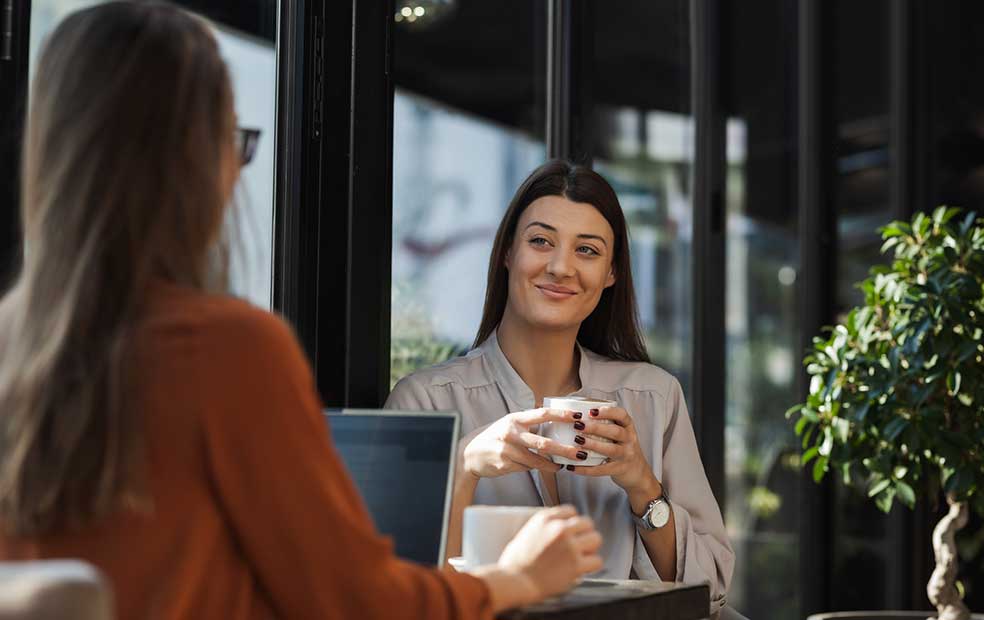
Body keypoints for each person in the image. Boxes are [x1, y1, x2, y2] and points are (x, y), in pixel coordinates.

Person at [0, 3, 603, 618]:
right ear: (192, 161)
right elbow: (359, 602)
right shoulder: (223, 350)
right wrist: (519, 579)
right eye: (235, 142)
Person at [386, 160, 735, 613]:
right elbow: (403, 595)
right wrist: (465, 465)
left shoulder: (653, 396)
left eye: (587, 250)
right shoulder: (425, 401)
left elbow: (711, 591)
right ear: (508, 252)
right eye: (540, 241)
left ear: (611, 273)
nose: (560, 266)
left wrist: (642, 485)